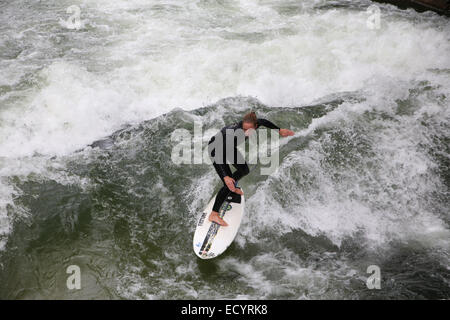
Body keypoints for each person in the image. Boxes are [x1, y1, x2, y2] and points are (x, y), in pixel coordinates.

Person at [207, 111, 294, 226]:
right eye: (244, 129)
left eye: (249, 130)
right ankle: (213, 214)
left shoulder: (256, 124)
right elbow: (219, 155)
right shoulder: (233, 132)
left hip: (228, 148)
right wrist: (225, 176)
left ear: (255, 126)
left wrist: (279, 130)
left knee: (244, 170)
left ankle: (231, 190)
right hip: (216, 150)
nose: (246, 132)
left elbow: (263, 121)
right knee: (228, 181)